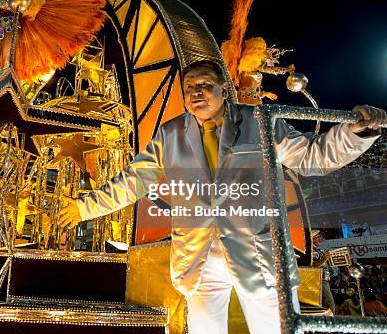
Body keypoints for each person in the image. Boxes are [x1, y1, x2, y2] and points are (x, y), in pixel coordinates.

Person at [57, 60, 385, 334]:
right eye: (189, 88)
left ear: (223, 88)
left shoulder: (260, 122)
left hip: (257, 254)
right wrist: (84, 208)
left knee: (275, 328)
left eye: (205, 85)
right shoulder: (170, 135)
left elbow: (313, 157)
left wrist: (358, 132)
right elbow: (131, 181)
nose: (196, 92)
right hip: (198, 257)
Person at [311, 230, 336, 313]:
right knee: (330, 306)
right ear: (311, 239)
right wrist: (324, 259)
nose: (319, 239)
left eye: (319, 237)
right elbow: (313, 267)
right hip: (320, 281)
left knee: (326, 305)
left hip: (324, 280)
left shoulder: (317, 251)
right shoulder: (313, 252)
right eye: (317, 237)